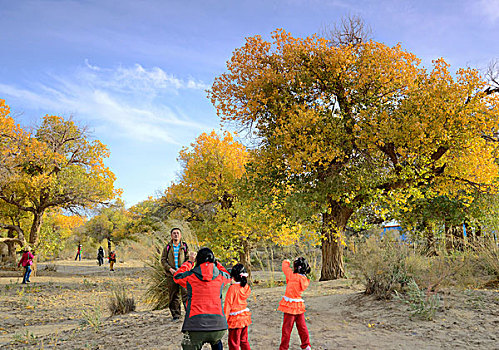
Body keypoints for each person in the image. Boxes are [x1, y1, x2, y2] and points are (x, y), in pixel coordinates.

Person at [174, 247, 231, 350]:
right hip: (218, 325)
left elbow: (177, 277)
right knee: (217, 341)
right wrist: (216, 263)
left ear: (197, 260)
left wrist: (189, 262)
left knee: (191, 344)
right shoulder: (221, 276)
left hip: (195, 324)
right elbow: (228, 275)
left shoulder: (190, 276)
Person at [278, 257, 312, 350]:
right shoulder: (304, 280)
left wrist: (286, 261)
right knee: (302, 327)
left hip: (289, 305)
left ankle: (284, 347)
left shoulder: (291, 275)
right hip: (299, 305)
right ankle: (306, 345)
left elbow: (285, 267)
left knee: (286, 329)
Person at [161, 227, 189, 321]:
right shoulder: (168, 247)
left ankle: (189, 314)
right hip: (171, 275)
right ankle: (176, 315)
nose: (176, 235)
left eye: (177, 233)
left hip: (183, 274)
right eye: (174, 233)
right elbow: (163, 260)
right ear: (171, 235)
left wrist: (184, 268)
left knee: (186, 294)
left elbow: (189, 259)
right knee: (173, 295)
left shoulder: (184, 246)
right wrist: (170, 269)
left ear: (180, 235)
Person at [224, 263, 252, 350]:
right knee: (244, 341)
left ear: (233, 277)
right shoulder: (246, 287)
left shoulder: (232, 289)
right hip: (244, 317)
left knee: (234, 343)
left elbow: (228, 305)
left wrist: (224, 320)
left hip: (235, 320)